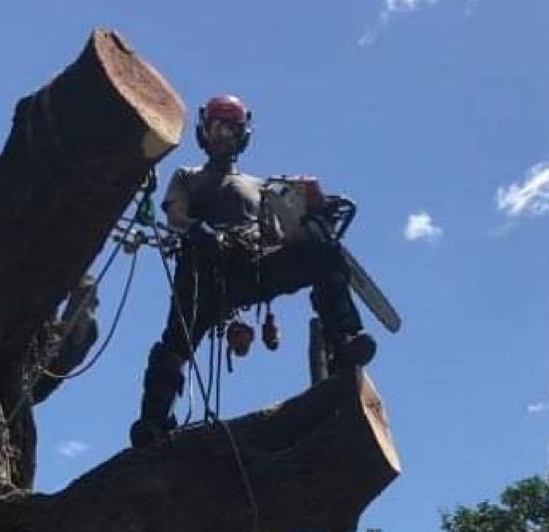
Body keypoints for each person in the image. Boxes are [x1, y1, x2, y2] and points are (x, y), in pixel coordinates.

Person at [130, 93, 375, 448]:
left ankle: (345, 340)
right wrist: (197, 230)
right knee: (174, 345)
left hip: (250, 269)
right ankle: (153, 421)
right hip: (203, 274)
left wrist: (312, 222)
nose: (223, 134)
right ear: (204, 130)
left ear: (243, 133)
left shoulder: (264, 189)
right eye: (217, 126)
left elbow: (279, 237)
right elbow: (176, 216)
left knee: (324, 252)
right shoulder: (188, 176)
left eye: (231, 127)